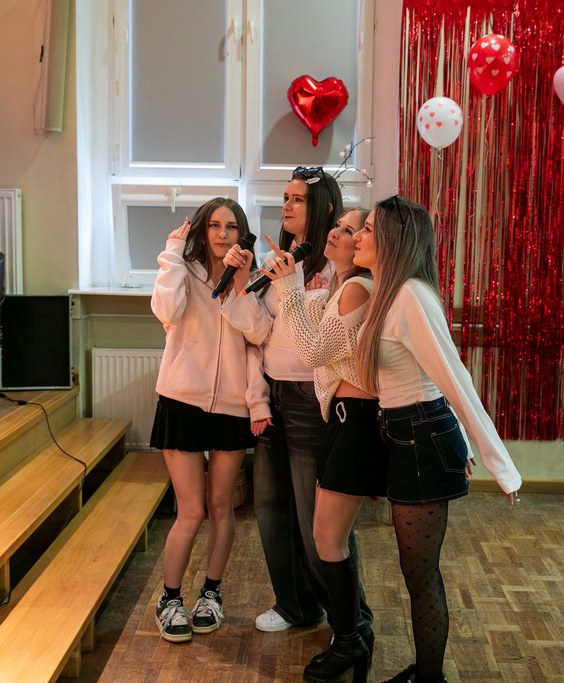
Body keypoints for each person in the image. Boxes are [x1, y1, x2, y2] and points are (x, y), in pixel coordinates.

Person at [352, 196, 522, 683]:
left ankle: (430, 679)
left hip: (421, 438)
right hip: (406, 434)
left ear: (393, 239)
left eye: (368, 229)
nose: (359, 236)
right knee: (415, 573)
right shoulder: (389, 292)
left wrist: (498, 463)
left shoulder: (410, 296)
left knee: (421, 576)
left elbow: (453, 380)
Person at [221, 167, 374, 635]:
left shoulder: (339, 265)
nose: (286, 206)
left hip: (313, 397)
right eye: (285, 197)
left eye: (298, 199)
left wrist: (296, 287)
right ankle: (296, 605)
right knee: (271, 508)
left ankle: (349, 617)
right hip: (274, 391)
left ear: (324, 206)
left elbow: (323, 344)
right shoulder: (280, 258)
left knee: (317, 522)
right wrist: (243, 281)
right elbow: (261, 332)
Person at [263, 207, 387, 682]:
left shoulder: (357, 288)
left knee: (328, 538)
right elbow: (294, 324)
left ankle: (351, 635)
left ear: (364, 244)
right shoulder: (338, 287)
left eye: (350, 229)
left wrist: (290, 288)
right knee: (326, 535)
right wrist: (283, 282)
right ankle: (351, 635)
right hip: (339, 419)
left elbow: (312, 351)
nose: (337, 233)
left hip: (353, 422)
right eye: (338, 226)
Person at [149, 197, 271, 643]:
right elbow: (165, 312)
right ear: (203, 231)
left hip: (232, 406)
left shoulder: (252, 279)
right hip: (181, 400)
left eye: (231, 226)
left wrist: (241, 284)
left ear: (242, 233)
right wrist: (171, 255)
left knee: (222, 506)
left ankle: (211, 594)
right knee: (191, 510)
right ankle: (169, 599)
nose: (223, 234)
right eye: (215, 225)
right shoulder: (183, 271)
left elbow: (260, 333)